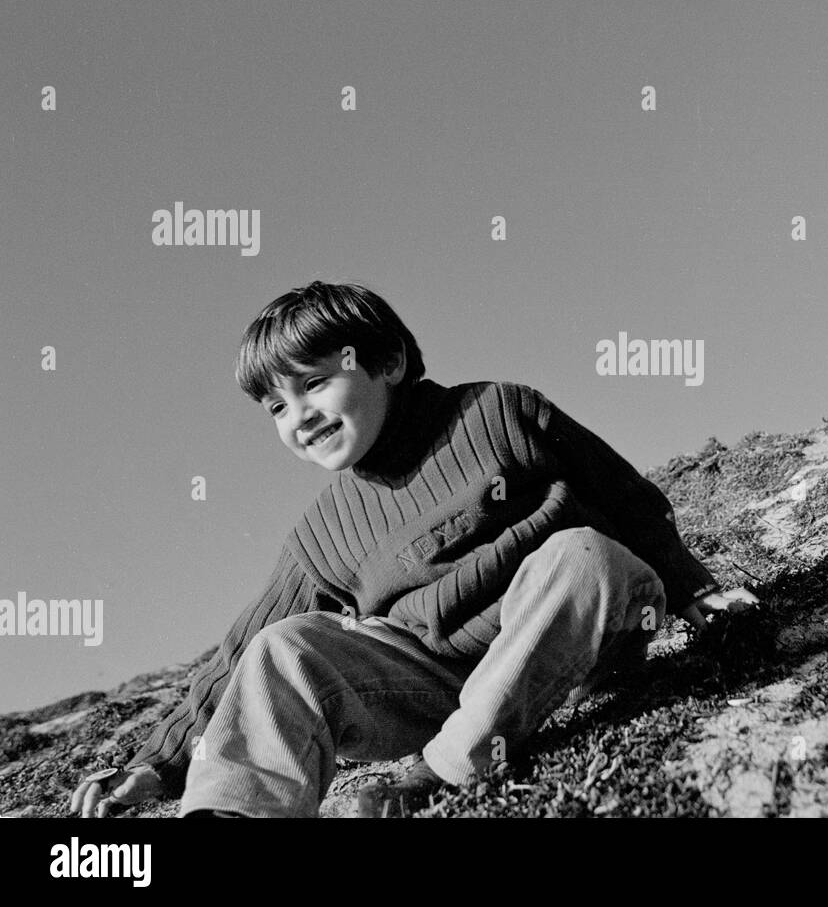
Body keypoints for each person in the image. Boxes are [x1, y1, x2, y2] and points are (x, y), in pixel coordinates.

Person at [69, 281, 758, 818]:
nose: (299, 417)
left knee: (583, 552)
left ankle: (443, 774)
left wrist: (695, 588)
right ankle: (233, 813)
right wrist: (155, 764)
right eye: (276, 407)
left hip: (574, 634)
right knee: (284, 645)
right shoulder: (324, 532)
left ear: (389, 362)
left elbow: (623, 495)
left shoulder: (500, 413)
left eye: (313, 383)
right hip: (436, 683)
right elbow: (238, 657)